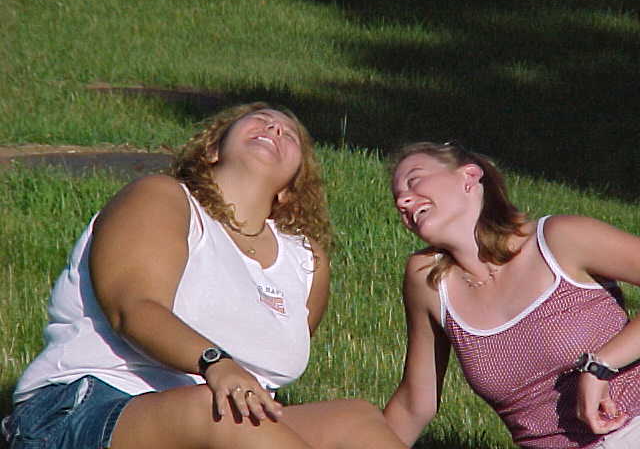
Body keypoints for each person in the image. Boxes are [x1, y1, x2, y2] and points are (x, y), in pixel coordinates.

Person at [2, 102, 407, 449]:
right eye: (260, 120)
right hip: (88, 410)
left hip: (223, 423)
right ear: (212, 149)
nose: (274, 129)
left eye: (289, 135)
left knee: (355, 419)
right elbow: (133, 307)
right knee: (216, 409)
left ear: (291, 187)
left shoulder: (305, 262)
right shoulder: (162, 197)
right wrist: (215, 363)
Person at [383, 141, 640, 448]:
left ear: (469, 176)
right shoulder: (429, 281)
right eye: (398, 197)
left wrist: (601, 365)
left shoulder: (559, 239)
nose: (403, 200)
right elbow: (414, 404)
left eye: (414, 180)